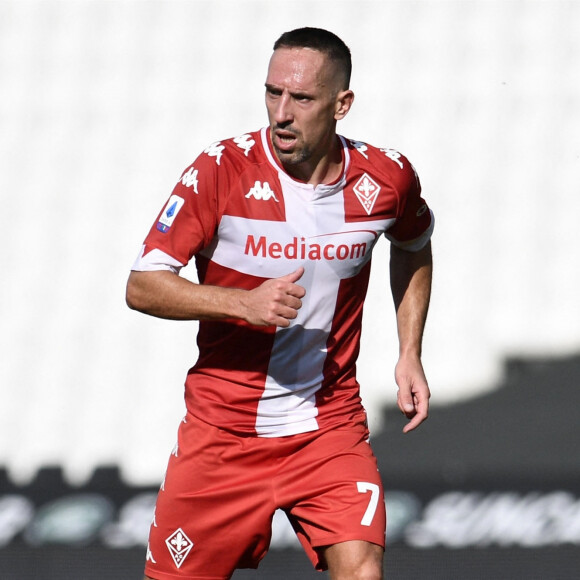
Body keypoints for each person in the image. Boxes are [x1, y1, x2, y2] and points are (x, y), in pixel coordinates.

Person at [127, 26, 433, 580]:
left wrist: (410, 351)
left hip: (327, 428)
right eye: (273, 93)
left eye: (302, 98)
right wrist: (241, 304)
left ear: (342, 104)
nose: (281, 113)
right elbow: (142, 285)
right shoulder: (219, 170)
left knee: (362, 569)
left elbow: (413, 243)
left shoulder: (386, 179)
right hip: (224, 432)